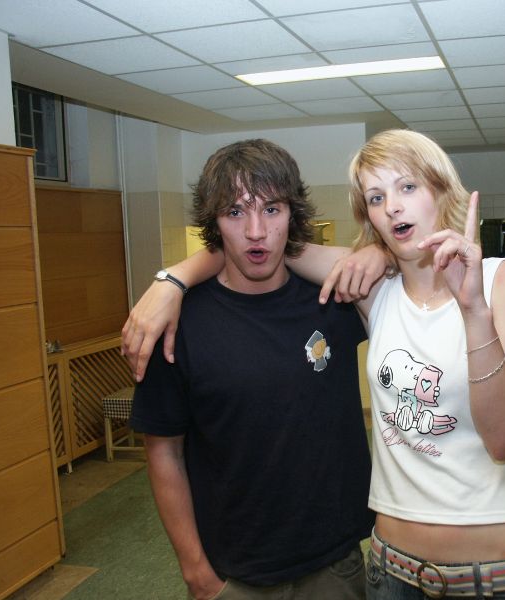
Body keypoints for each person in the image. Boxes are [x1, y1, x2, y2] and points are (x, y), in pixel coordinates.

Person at [124, 129, 505, 599]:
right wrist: (172, 279)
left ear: (442, 189)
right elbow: (263, 248)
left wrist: (470, 309)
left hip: (479, 573)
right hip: (388, 569)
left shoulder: (492, 283)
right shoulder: (371, 293)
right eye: (376, 197)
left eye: (408, 187)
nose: (393, 207)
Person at [128, 139, 377, 600]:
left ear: (293, 215)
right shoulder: (177, 324)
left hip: (334, 565)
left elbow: (411, 270)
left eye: (272, 209)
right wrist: (197, 574)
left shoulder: (333, 302)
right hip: (233, 573)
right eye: (235, 212)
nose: (256, 231)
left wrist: (377, 253)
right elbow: (164, 453)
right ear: (214, 222)